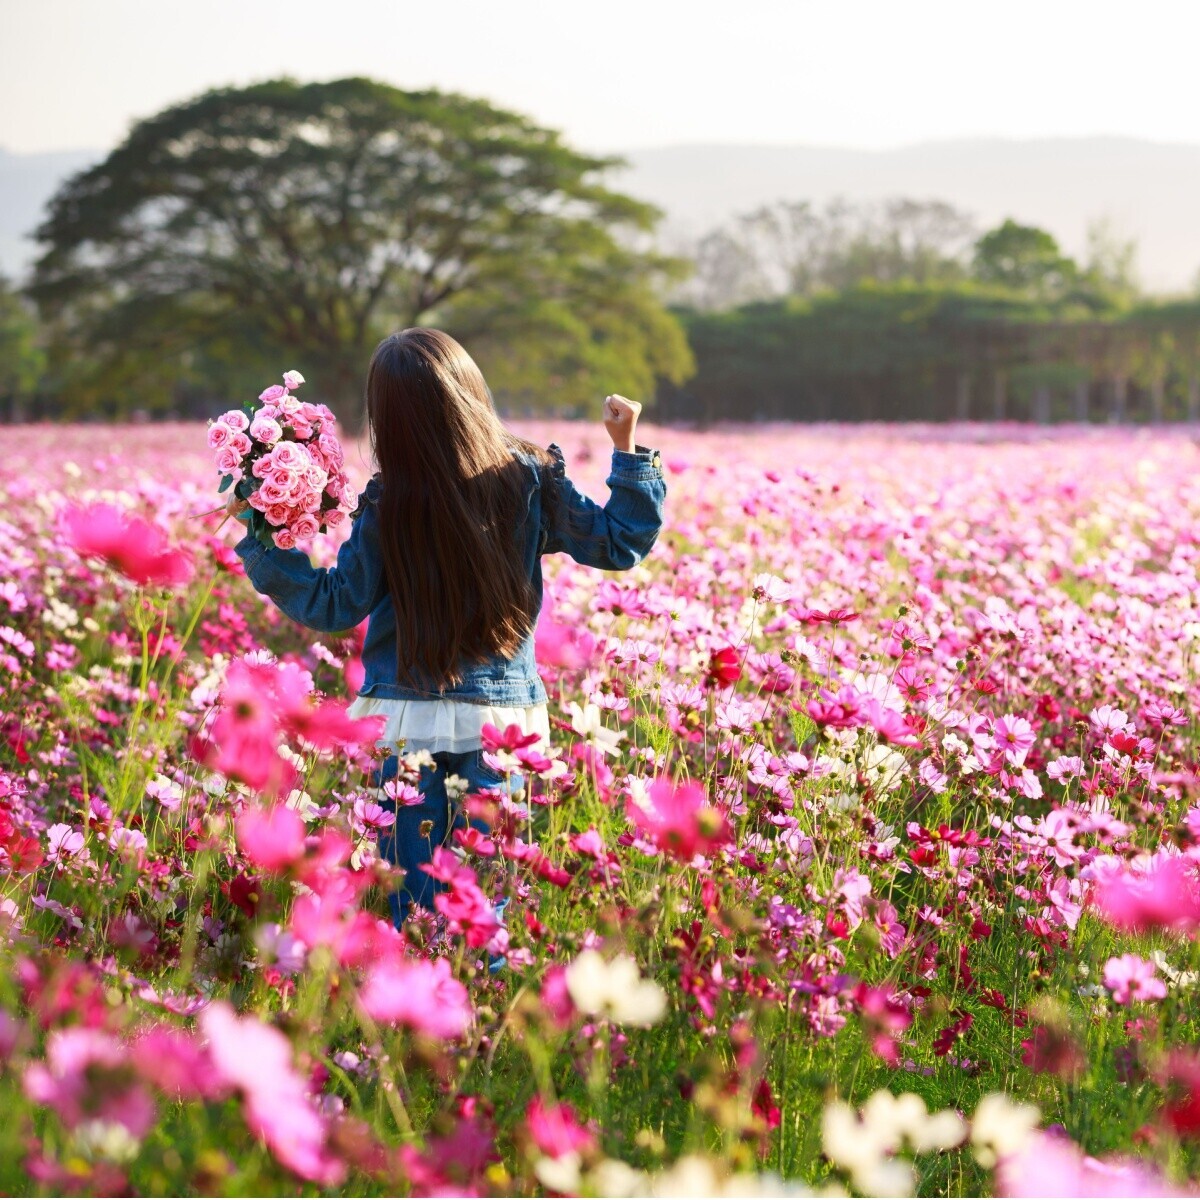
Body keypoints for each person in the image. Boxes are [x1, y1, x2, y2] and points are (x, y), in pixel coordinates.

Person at [229, 327, 666, 934]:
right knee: (480, 897)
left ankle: (414, 1013)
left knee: (413, 895)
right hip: (504, 724)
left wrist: (258, 534)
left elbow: (333, 606)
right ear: (472, 393)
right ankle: (475, 1010)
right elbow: (619, 542)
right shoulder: (529, 479)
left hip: (406, 720)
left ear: (389, 419)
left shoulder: (391, 502)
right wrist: (627, 446)